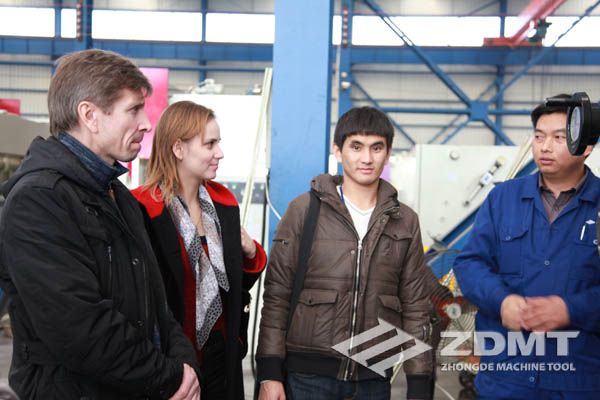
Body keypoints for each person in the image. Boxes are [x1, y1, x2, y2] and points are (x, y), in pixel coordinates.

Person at [0, 49, 200, 400]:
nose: (146, 123)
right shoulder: (39, 201)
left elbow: (159, 305)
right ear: (90, 115)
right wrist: (168, 378)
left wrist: (185, 366)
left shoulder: (119, 197)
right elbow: (79, 328)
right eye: (133, 110)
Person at [256, 106, 434, 400]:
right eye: (356, 147)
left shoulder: (405, 220)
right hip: (308, 378)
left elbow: (415, 306)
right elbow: (277, 295)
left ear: (388, 154)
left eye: (376, 148)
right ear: (338, 151)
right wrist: (270, 372)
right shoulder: (304, 210)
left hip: (374, 379)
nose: (367, 158)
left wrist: (419, 383)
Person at [453, 95, 600, 399]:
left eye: (559, 138)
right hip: (506, 378)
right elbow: (469, 264)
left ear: (586, 147)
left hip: (580, 381)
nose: (545, 147)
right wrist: (502, 301)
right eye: (539, 136)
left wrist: (571, 309)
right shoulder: (502, 199)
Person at [132, 100, 267, 400]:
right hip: (171, 361)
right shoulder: (143, 208)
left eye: (218, 143)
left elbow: (231, 285)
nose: (220, 153)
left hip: (222, 355)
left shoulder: (222, 204)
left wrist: (249, 253)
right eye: (210, 144)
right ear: (178, 148)